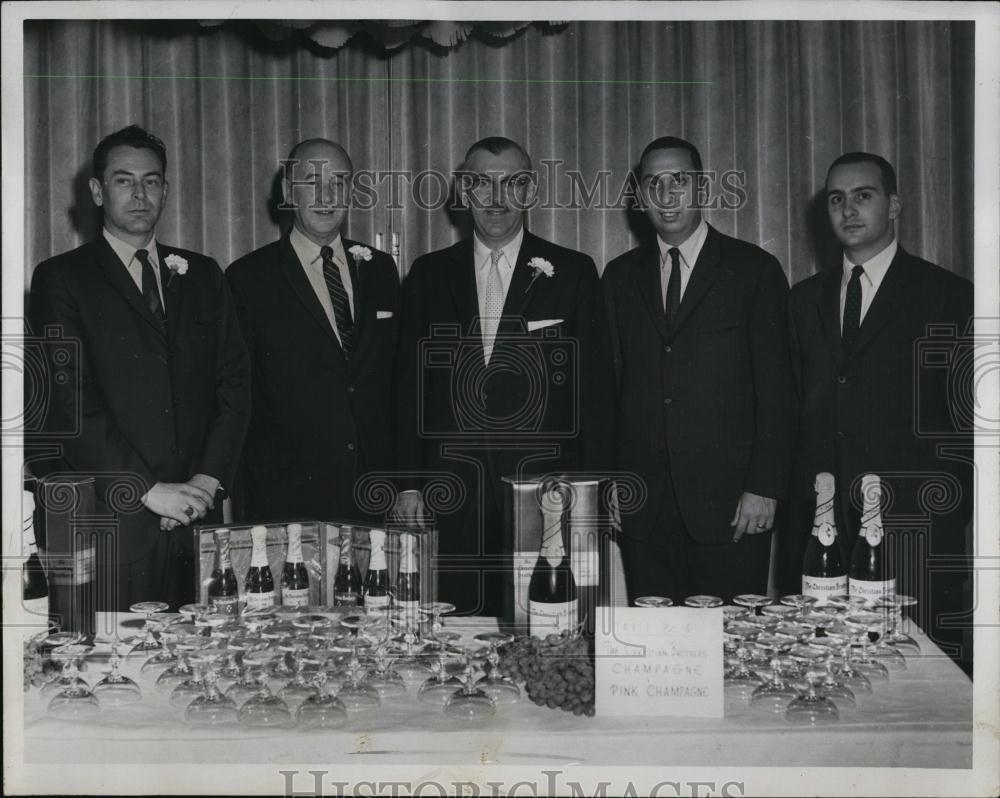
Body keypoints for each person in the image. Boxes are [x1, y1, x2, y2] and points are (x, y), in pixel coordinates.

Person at [28, 125, 251, 610]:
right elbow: (72, 404)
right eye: (124, 180)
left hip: (196, 521)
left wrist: (204, 485)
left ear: (166, 190)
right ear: (96, 190)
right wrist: (148, 491)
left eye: (151, 181)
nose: (139, 193)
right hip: (110, 523)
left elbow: (235, 385)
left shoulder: (204, 273)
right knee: (111, 673)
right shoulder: (61, 279)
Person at [393, 136, 613, 618]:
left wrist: (591, 493)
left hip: (546, 493)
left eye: (511, 184)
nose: (496, 199)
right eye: (481, 184)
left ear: (530, 192)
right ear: (463, 193)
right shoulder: (428, 275)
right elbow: (409, 388)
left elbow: (594, 393)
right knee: (454, 627)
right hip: (450, 491)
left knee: (544, 624)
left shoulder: (573, 272)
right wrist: (408, 483)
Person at [781, 152, 974, 673]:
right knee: (824, 674)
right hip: (822, 533)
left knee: (920, 681)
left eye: (862, 196)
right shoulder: (801, 302)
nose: (848, 210)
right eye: (836, 200)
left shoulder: (949, 297)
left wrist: (950, 522)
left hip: (914, 528)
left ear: (894, 205)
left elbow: (966, 430)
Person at [603, 136, 795, 605]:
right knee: (659, 659)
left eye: (679, 181)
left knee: (730, 655)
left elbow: (779, 391)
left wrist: (764, 488)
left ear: (703, 188)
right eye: (654, 183)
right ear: (640, 196)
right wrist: (610, 481)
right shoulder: (619, 276)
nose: (667, 195)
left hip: (732, 506)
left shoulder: (754, 270)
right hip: (644, 508)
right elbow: (609, 389)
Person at [227, 139, 399, 523]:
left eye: (338, 182)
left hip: (373, 491)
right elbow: (235, 392)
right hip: (286, 494)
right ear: (288, 192)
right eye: (312, 182)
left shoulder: (381, 269)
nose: (326, 196)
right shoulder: (248, 278)